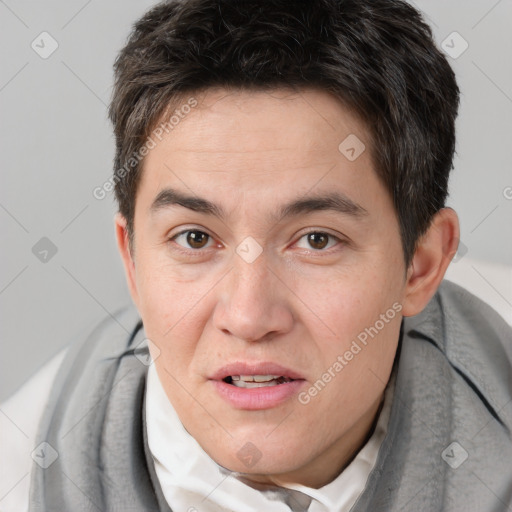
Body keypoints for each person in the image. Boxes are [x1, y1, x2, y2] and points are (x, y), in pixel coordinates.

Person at [2, 0, 512, 510]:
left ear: (421, 265)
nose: (248, 317)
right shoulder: (21, 477)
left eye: (317, 239)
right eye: (195, 239)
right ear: (132, 260)